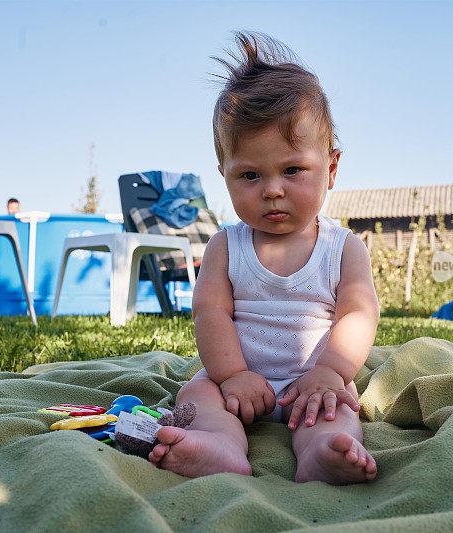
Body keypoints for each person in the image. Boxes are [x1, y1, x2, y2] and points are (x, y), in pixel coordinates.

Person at [148, 32, 380, 485]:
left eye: (292, 170)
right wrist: (231, 374)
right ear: (225, 176)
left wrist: (331, 372)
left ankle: (322, 454)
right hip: (234, 384)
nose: (272, 189)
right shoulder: (226, 246)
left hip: (312, 381)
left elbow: (359, 311)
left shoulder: (342, 247)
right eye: (250, 175)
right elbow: (210, 311)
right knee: (195, 394)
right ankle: (221, 446)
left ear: (330, 169)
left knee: (338, 407)